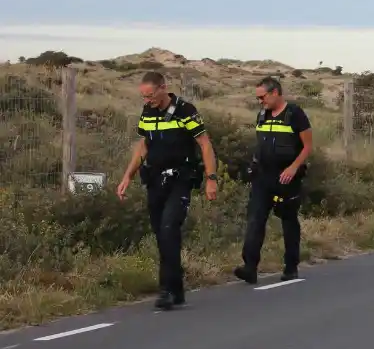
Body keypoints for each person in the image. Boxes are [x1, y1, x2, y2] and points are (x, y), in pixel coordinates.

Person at [117, 71, 218, 310]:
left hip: (180, 179)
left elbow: (204, 143)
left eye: (150, 95)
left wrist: (211, 178)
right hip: (154, 180)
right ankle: (178, 287)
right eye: (144, 96)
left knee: (169, 227)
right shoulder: (147, 112)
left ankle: (166, 290)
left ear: (163, 88)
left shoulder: (186, 110)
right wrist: (127, 176)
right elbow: (143, 146)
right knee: (163, 236)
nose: (147, 100)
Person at [234, 76, 313, 284]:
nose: (260, 101)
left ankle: (291, 266)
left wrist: (293, 168)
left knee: (288, 221)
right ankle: (250, 267)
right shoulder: (262, 115)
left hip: (287, 178)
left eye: (262, 97)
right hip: (263, 177)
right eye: (258, 98)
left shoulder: (295, 114)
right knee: (255, 219)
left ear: (275, 93)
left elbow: (307, 146)